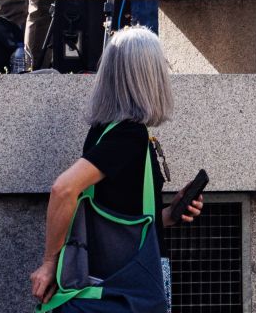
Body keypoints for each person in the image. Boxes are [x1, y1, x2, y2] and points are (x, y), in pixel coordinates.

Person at [31, 26, 203, 311]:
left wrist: (170, 214)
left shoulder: (103, 130)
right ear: (150, 78)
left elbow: (116, 215)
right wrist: (50, 263)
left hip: (109, 281)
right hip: (131, 288)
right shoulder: (129, 136)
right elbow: (63, 188)